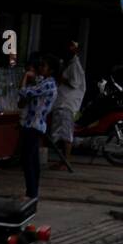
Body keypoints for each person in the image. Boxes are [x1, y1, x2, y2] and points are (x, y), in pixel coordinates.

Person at [17, 54, 58, 201]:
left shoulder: (48, 84)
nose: (41, 68)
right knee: (32, 160)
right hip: (35, 124)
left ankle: (31, 193)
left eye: (44, 66)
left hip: (34, 124)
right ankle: (32, 192)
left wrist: (26, 76)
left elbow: (24, 92)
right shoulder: (46, 82)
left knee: (28, 160)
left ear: (51, 70)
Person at [49, 39, 85, 169]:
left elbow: (74, 83)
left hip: (67, 104)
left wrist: (61, 79)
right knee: (61, 133)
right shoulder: (70, 64)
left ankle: (65, 161)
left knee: (66, 134)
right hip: (64, 103)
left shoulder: (74, 66)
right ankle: (63, 161)